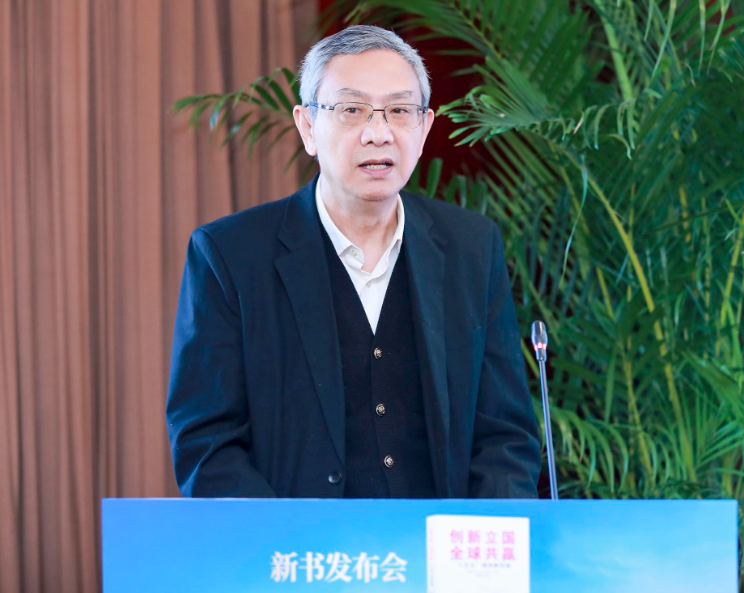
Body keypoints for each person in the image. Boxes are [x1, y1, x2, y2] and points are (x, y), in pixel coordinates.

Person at [166, 25, 541, 499]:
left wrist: (484, 533)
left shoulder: (472, 247)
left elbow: (504, 434)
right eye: (351, 110)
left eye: (399, 111)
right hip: (299, 543)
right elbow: (207, 444)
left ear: (425, 128)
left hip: (440, 540)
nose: (378, 134)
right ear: (307, 126)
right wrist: (285, 539)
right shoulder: (230, 255)